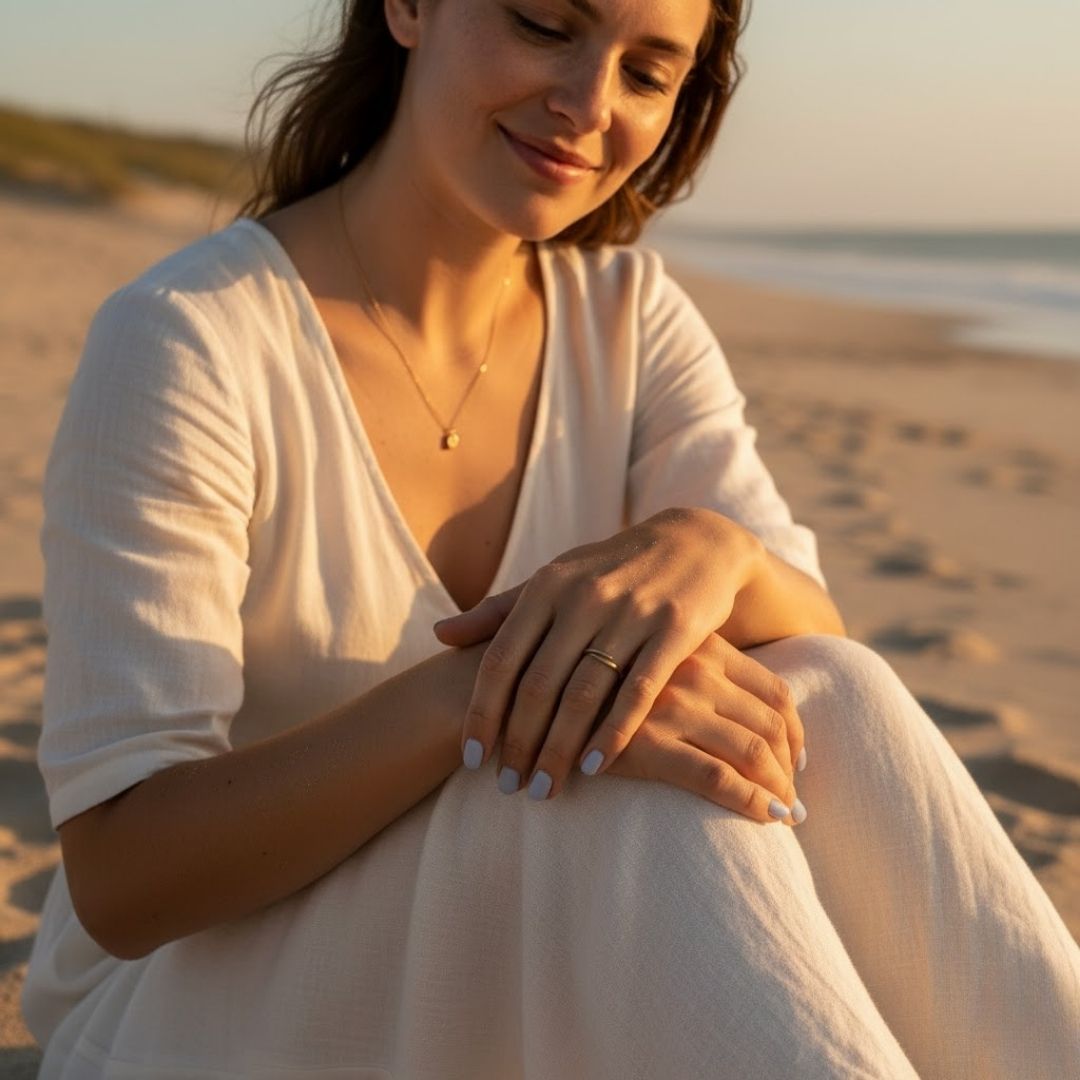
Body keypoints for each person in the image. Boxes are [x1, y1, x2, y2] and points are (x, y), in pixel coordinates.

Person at [20, 0, 1080, 1075]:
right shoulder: (188, 341)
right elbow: (122, 877)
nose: (587, 106)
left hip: (488, 951)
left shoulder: (628, 315)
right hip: (194, 998)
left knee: (833, 690)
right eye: (542, 24)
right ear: (410, 6)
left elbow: (809, 638)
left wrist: (712, 549)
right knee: (602, 775)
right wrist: (485, 693)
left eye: (648, 73)